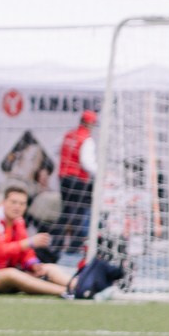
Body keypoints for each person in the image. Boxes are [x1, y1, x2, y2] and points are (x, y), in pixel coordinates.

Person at [0, 182, 74, 295]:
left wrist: (33, 264)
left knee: (49, 268)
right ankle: (65, 291)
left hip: (6, 272)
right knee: (11, 274)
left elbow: (26, 253)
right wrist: (29, 242)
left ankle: (78, 287)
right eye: (13, 202)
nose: (17, 207)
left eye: (22, 204)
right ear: (3, 202)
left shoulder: (18, 221)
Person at [51, 108, 98, 260]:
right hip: (78, 179)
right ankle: (73, 247)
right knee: (78, 213)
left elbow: (56, 149)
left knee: (66, 212)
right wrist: (100, 172)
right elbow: (87, 163)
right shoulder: (86, 139)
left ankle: (56, 244)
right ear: (89, 123)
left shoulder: (68, 135)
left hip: (63, 177)